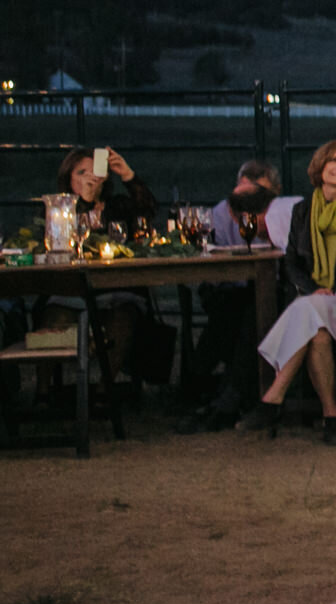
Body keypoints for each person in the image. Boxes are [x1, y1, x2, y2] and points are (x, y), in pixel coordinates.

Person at [240, 141, 336, 446]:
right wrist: (314, 290)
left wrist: (334, 292)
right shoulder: (303, 211)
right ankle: (332, 416)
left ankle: (272, 398)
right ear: (320, 166)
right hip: (315, 300)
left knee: (310, 310)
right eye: (334, 160)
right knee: (317, 330)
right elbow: (292, 263)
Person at [175, 161, 287, 432]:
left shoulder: (282, 215)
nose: (251, 200)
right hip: (228, 288)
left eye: (259, 194)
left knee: (251, 308)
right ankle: (226, 393)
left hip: (272, 289)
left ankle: (216, 392)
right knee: (235, 308)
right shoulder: (220, 214)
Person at [49, 147, 172, 384]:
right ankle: (44, 393)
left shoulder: (117, 206)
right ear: (68, 179)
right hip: (72, 288)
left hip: (117, 287)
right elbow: (65, 237)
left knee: (124, 315)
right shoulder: (60, 209)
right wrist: (84, 201)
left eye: (93, 171)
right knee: (51, 316)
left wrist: (127, 174)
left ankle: (107, 391)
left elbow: (148, 211)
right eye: (81, 173)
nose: (90, 178)